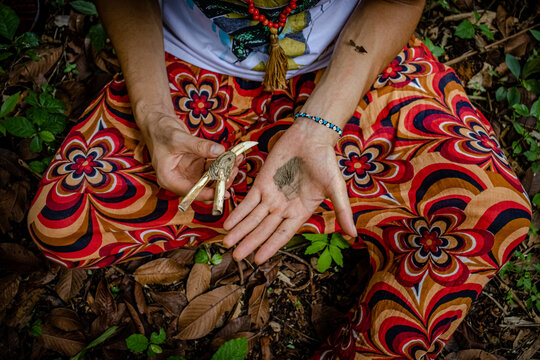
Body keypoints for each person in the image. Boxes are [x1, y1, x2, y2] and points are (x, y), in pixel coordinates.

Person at [27, 0, 532, 358]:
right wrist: (155, 116)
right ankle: (339, 203)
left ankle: (292, 204)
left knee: (493, 211)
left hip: (351, 70)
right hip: (186, 78)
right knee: (62, 222)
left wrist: (321, 126)